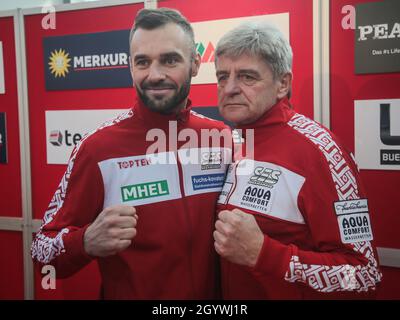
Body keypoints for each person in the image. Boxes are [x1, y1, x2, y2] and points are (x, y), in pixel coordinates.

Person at [31, 8, 231, 299]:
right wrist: (84, 241)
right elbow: (41, 250)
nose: (155, 74)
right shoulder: (98, 148)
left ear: (196, 63)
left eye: (170, 59)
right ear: (130, 67)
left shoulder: (221, 138)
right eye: (142, 62)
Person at [213, 22, 382, 299]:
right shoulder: (229, 143)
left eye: (247, 77)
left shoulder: (322, 151)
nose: (229, 88)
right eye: (222, 76)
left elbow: (364, 275)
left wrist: (265, 254)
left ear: (283, 84)